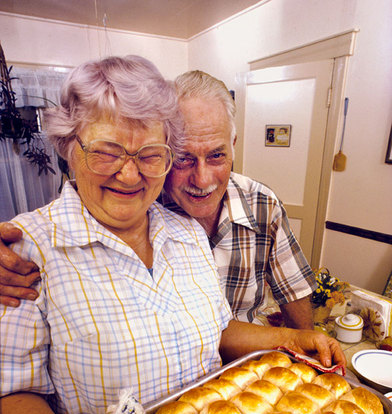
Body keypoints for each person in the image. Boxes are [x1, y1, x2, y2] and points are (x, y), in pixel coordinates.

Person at [0, 55, 345, 414]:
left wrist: (288, 337)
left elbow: (217, 328)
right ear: (70, 148)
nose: (130, 172)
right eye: (108, 151)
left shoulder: (183, 233)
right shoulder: (27, 252)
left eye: (149, 154)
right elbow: (10, 393)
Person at [0, 72, 316, 330]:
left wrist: (305, 348)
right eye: (182, 159)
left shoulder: (262, 203)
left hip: (248, 365)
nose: (202, 180)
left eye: (217, 155)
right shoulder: (138, 204)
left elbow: (294, 292)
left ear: (233, 145)